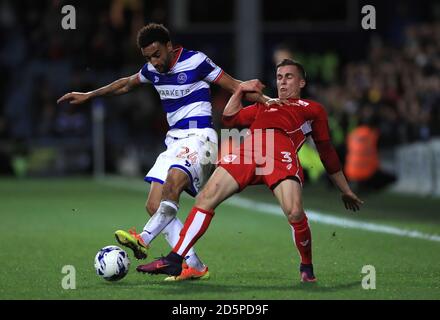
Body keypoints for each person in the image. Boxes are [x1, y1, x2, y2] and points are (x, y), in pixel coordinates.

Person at [57, 23, 266, 281]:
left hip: (200, 137)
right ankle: (195, 266)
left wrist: (270, 102)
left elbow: (236, 86)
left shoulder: (195, 61)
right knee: (154, 205)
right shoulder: (152, 71)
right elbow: (125, 84)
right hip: (174, 141)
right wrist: (89, 95)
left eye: (156, 54)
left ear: (169, 46)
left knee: (171, 187)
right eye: (148, 58)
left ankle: (143, 238)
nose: (154, 62)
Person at [136, 59, 364, 283]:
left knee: (294, 212)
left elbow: (326, 151)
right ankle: (176, 258)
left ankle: (306, 266)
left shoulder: (312, 109)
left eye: (289, 77)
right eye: (279, 77)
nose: (282, 82)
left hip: (279, 151)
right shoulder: (264, 104)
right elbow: (229, 119)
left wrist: (344, 189)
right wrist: (240, 90)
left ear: (302, 82)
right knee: (205, 198)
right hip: (249, 149)